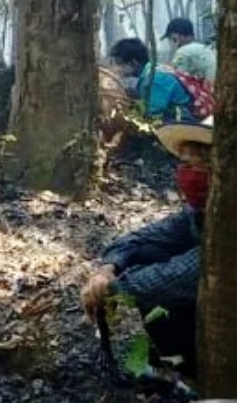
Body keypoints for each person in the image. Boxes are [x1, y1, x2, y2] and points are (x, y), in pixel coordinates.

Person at [80, 116, 212, 380]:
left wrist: (113, 290)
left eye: (198, 165)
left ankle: (190, 374)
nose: (187, 173)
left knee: (153, 282)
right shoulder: (197, 213)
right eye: (185, 164)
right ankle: (175, 371)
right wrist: (107, 270)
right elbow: (140, 239)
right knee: (145, 253)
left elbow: (186, 273)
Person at [108, 37, 196, 121]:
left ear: (133, 63)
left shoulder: (153, 79)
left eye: (119, 63)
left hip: (179, 122)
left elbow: (153, 114)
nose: (116, 68)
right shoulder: (151, 71)